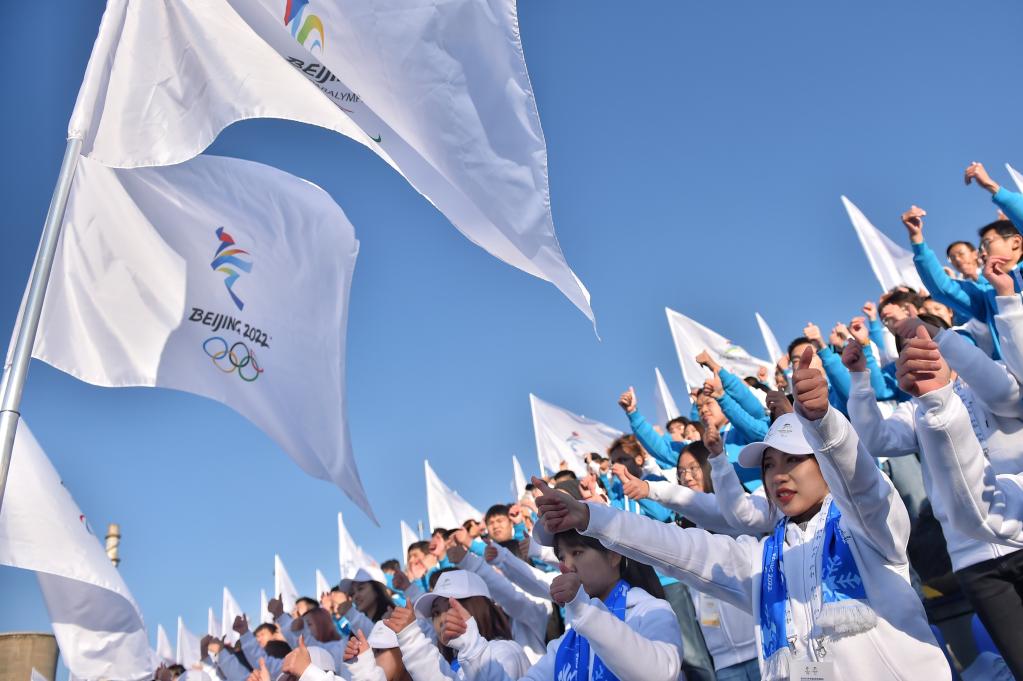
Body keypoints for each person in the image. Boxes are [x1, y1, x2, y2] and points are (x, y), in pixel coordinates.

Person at [535, 346, 953, 681]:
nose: (778, 474)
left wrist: (824, 423)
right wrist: (590, 518)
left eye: (793, 460)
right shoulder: (763, 560)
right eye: (769, 465)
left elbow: (862, 485)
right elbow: (680, 549)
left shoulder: (868, 527)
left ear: (824, 463)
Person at [620, 437, 760, 679]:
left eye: (693, 468)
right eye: (681, 471)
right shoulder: (683, 526)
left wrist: (651, 490)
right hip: (723, 660)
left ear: (708, 466)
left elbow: (706, 506)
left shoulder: (738, 514)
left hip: (759, 645)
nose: (687, 477)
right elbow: (650, 537)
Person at [385, 569, 531, 680]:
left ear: (479, 606)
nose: (442, 618)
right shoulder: (453, 664)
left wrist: (470, 646)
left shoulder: (505, 651)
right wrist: (409, 636)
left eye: (451, 606)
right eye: (436, 613)